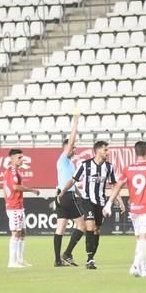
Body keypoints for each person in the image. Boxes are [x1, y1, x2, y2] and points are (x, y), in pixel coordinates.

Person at [104, 141, 146, 277]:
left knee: (140, 237)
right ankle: (135, 265)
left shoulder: (128, 168)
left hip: (134, 209)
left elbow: (118, 186)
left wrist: (109, 203)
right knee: (145, 236)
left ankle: (143, 267)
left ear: (136, 152)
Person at [59, 140, 122, 269]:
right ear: (98, 150)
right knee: (89, 225)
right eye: (106, 150)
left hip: (101, 202)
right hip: (87, 200)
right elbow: (73, 180)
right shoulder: (85, 165)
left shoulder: (109, 167)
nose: (107, 152)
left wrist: (119, 201)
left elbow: (114, 185)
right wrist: (63, 191)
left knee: (97, 230)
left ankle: (91, 256)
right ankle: (90, 259)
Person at [53, 112, 85, 267]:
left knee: (60, 228)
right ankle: (67, 253)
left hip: (60, 195)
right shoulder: (64, 158)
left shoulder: (68, 164)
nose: (75, 150)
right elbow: (71, 140)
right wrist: (76, 123)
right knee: (82, 225)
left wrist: (81, 194)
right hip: (67, 197)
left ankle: (58, 260)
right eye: (73, 147)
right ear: (67, 147)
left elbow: (69, 182)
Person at [4, 148, 40, 268]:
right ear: (12, 158)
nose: (22, 159)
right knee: (16, 233)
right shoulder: (12, 171)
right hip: (14, 206)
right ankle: (12, 261)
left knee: (22, 233)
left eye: (22, 157)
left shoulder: (16, 171)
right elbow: (15, 187)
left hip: (18, 205)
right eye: (19, 157)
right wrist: (32, 190)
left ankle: (19, 260)